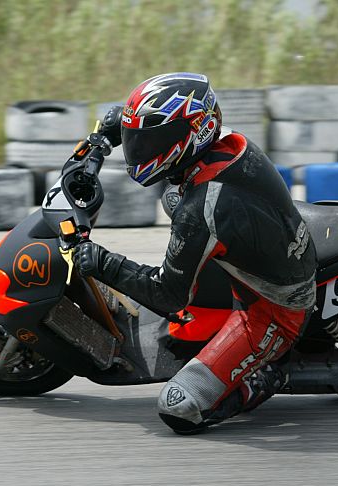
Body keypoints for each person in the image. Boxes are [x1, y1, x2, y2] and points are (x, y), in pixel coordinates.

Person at [74, 72, 317, 434]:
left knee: (178, 408)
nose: (139, 149)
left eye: (150, 141)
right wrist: (108, 133)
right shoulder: (220, 141)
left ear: (191, 134)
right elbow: (134, 123)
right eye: (136, 139)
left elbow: (168, 295)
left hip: (272, 307)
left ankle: (267, 377)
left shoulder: (203, 209)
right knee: (174, 197)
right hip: (259, 241)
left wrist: (102, 262)